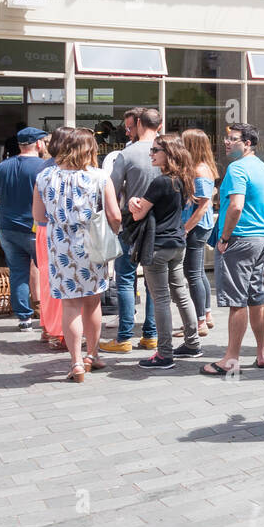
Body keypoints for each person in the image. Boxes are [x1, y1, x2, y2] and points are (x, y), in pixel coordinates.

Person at [32, 127, 122, 382]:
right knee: (93, 302)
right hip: (92, 244)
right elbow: (115, 215)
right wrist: (113, 231)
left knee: (70, 305)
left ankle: (75, 363)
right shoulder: (99, 177)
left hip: (60, 247)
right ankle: (92, 355)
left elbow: (38, 217)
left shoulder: (45, 176)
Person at [201, 123, 264, 376]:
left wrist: (223, 237)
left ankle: (231, 359)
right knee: (256, 296)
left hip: (241, 238)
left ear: (248, 143)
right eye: (227, 138)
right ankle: (262, 353)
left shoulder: (237, 167)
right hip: (262, 236)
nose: (227, 142)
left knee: (237, 301)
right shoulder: (262, 167)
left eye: (233, 139)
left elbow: (236, 206)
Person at [128, 135, 203, 369]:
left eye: (155, 150)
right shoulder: (183, 180)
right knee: (181, 293)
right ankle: (192, 343)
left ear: (169, 153)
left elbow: (138, 214)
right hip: (177, 243)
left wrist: (132, 202)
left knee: (160, 298)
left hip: (158, 245)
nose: (151, 154)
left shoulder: (161, 182)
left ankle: (164, 353)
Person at [99, 107, 161, 352]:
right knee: (153, 281)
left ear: (138, 123)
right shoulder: (170, 151)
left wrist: (114, 220)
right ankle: (151, 334)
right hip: (161, 224)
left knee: (125, 278)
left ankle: (124, 336)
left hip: (132, 223)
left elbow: (111, 191)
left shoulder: (128, 153)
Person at [0, 126, 49, 331]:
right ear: (39, 144)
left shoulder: (3, 166)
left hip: (6, 226)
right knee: (47, 271)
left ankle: (24, 319)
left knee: (17, 272)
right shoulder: (44, 167)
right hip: (34, 227)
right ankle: (49, 316)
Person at [179, 128, 218, 336]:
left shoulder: (200, 171)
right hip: (199, 225)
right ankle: (206, 314)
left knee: (192, 273)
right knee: (198, 272)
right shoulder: (201, 168)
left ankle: (199, 320)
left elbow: (203, 205)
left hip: (196, 226)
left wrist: (186, 228)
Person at [34, 128, 67, 347]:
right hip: (59, 231)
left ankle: (48, 327)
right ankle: (60, 331)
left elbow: (36, 211)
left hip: (42, 229)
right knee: (63, 283)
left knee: (47, 281)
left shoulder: (44, 168)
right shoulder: (64, 169)